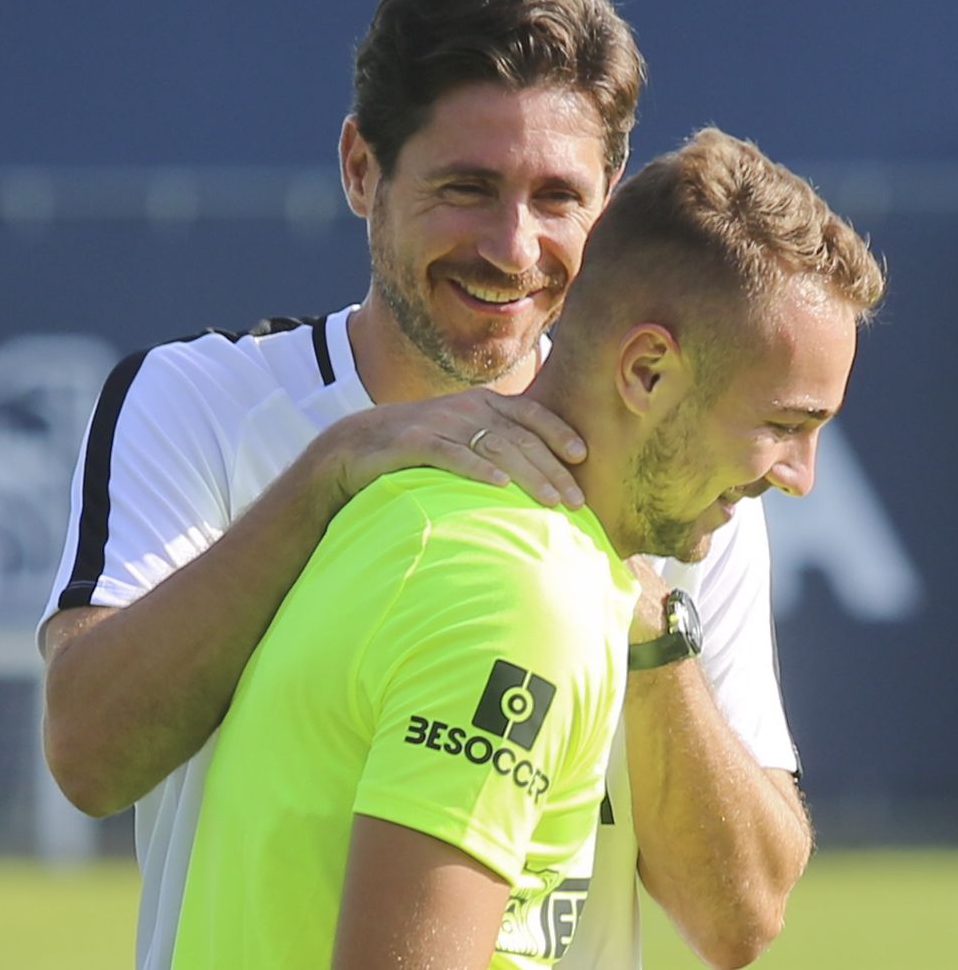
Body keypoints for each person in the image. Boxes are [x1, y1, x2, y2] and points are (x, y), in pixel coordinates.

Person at [39, 0, 871, 969]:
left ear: (606, 204)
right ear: (361, 170)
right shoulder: (202, 401)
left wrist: (646, 611)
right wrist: (332, 473)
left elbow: (737, 920)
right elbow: (88, 754)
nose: (513, 247)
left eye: (558, 198)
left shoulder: (679, 486)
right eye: (468, 187)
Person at [169, 126, 882, 968]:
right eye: (784, 425)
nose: (801, 476)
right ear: (647, 372)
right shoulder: (525, 592)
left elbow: (743, 920)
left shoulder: (415, 508)